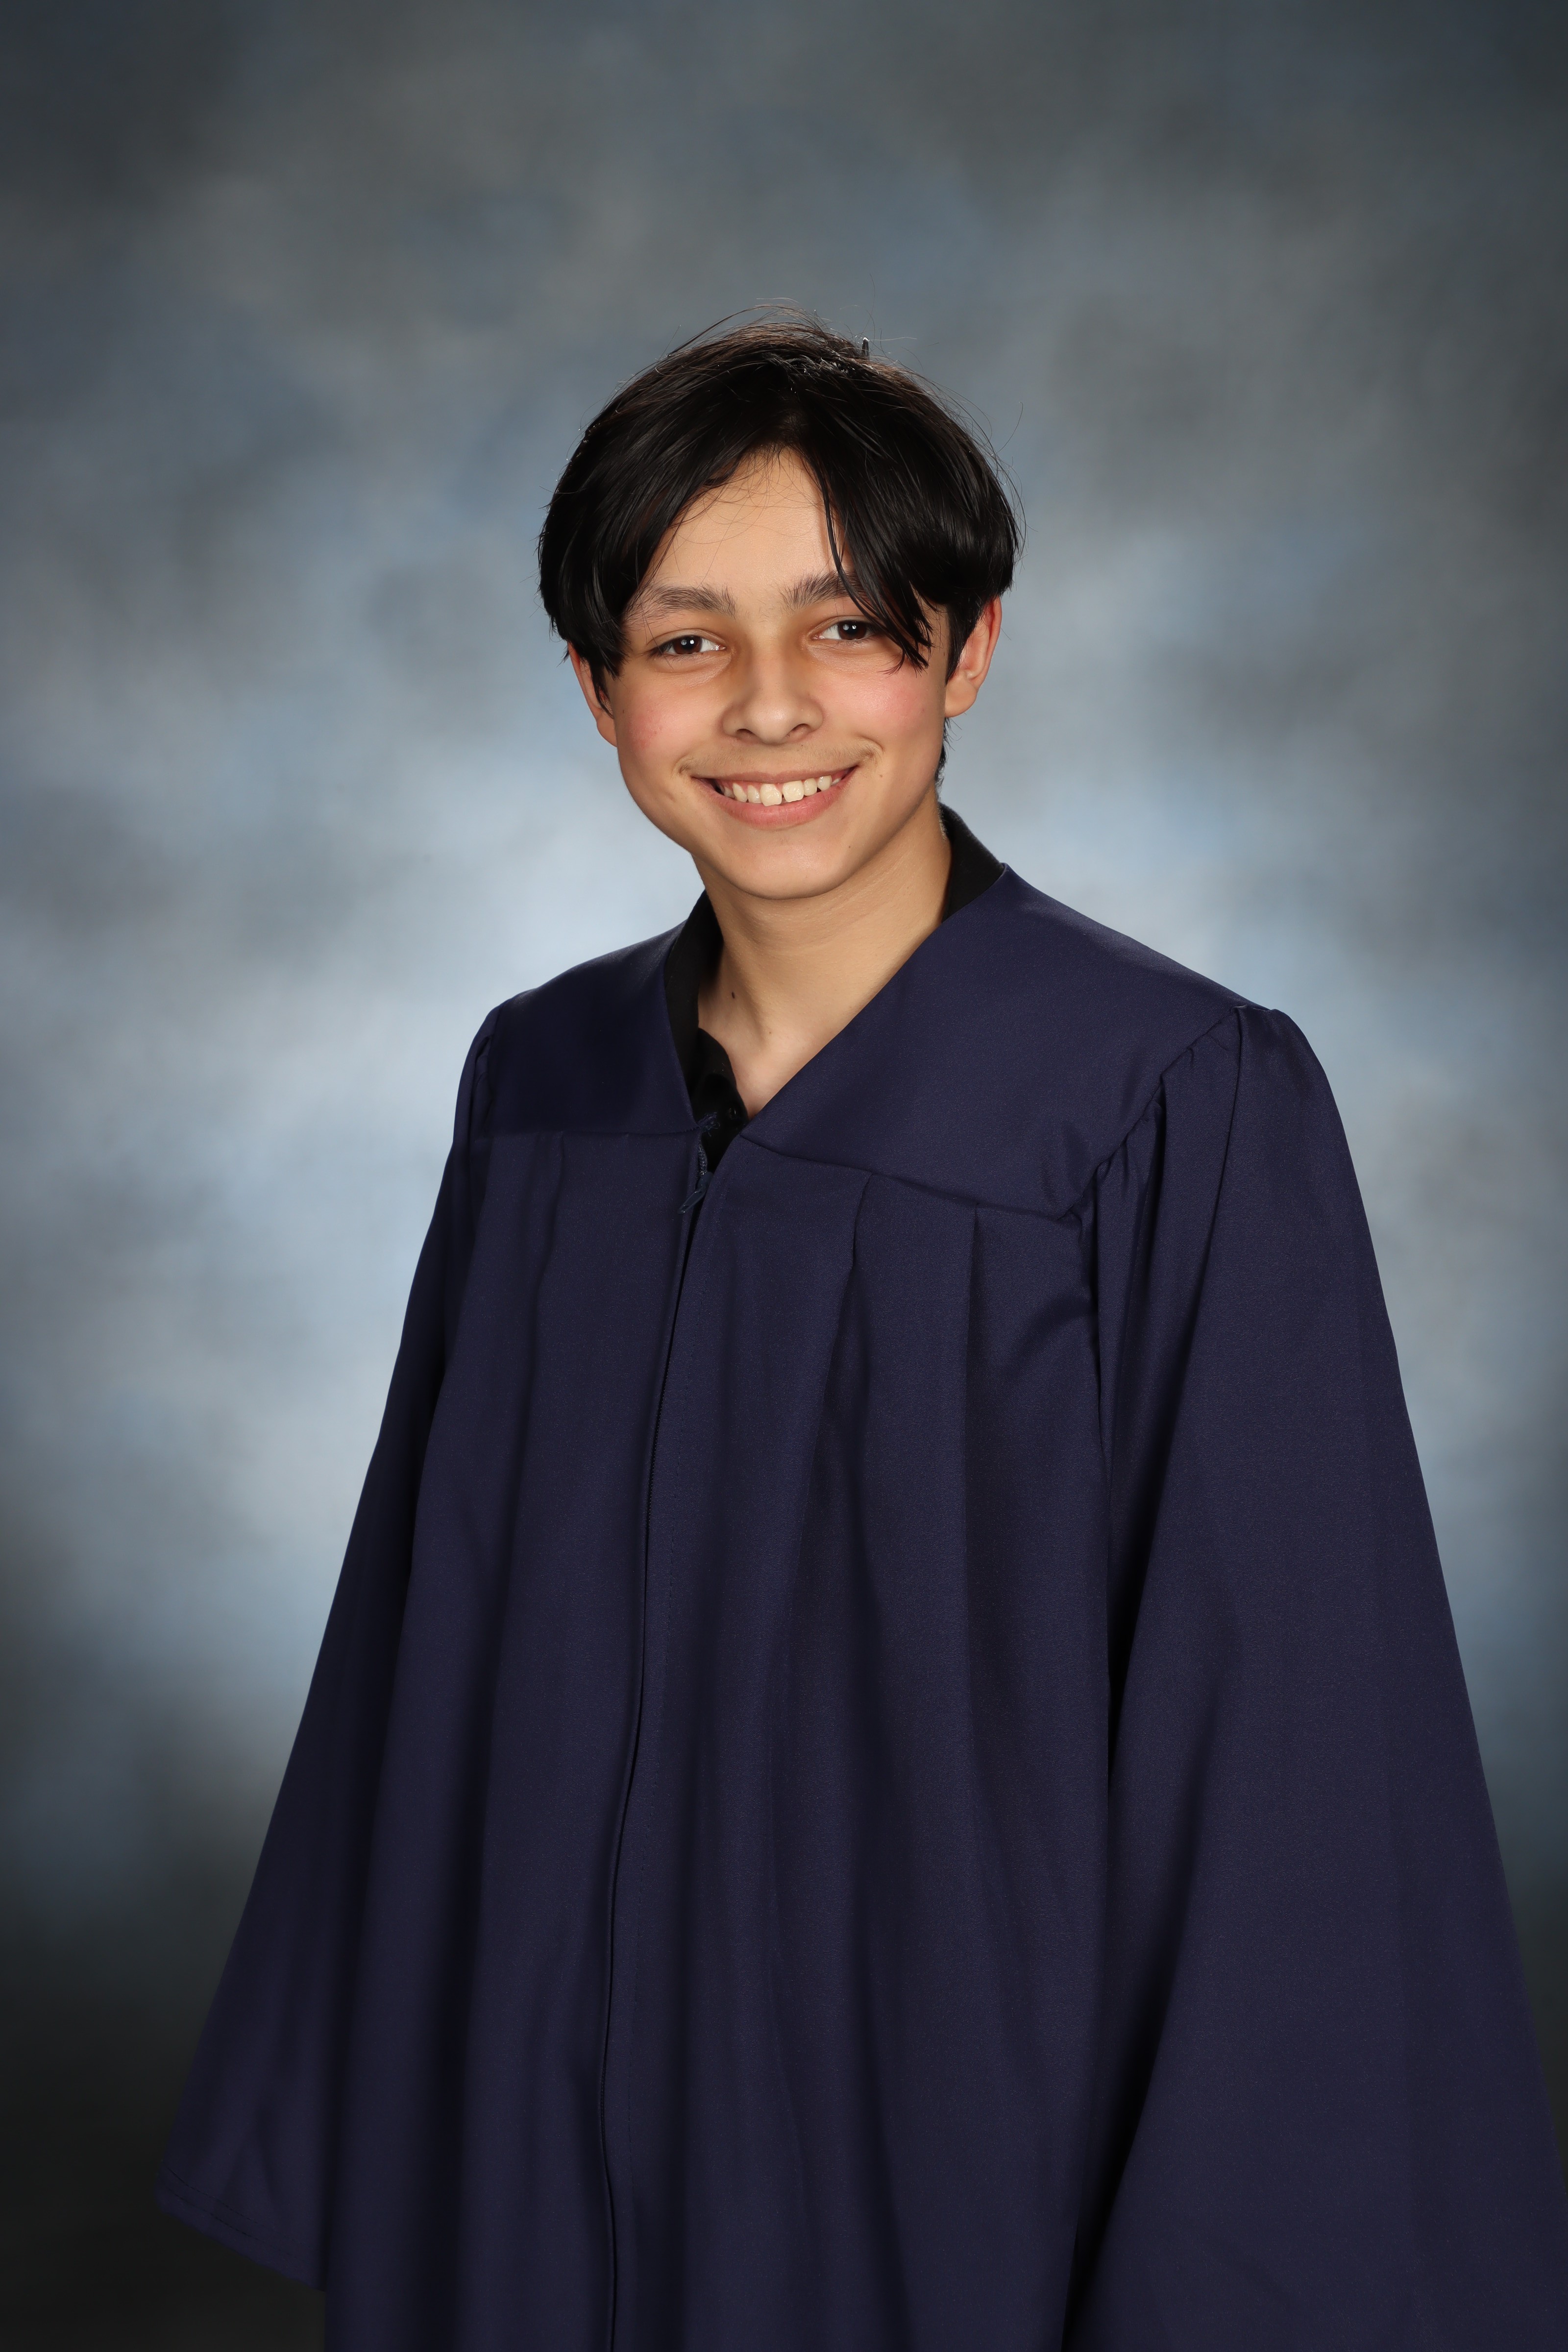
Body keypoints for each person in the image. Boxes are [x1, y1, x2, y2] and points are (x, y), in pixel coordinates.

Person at [157, 317, 1568, 2350]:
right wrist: (389, 2108)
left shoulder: (1168, 1099)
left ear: (964, 650)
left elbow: (1289, 1750)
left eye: (847, 628)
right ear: (597, 688)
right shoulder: (540, 1088)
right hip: (541, 2121)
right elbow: (416, 1650)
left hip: (955, 2138)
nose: (767, 706)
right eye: (685, 641)